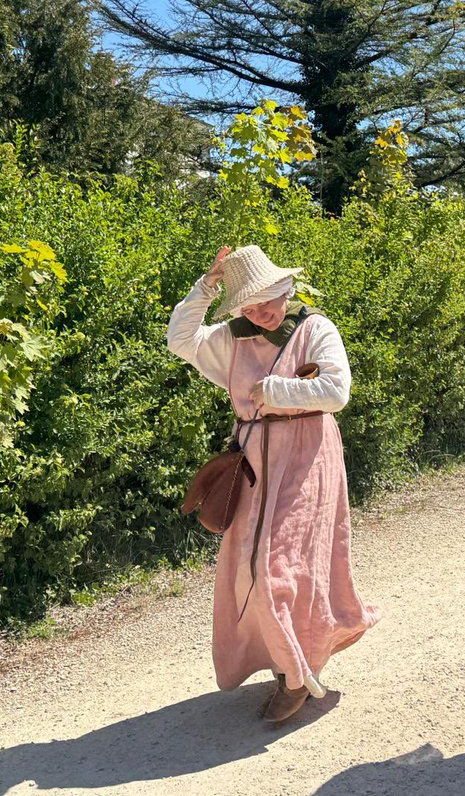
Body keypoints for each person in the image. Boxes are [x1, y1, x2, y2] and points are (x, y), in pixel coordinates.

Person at [166, 245, 380, 723]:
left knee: (281, 567)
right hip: (254, 466)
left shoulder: (315, 328)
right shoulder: (233, 338)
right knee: (249, 567)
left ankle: (295, 677)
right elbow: (180, 338)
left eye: (268, 300)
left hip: (307, 459)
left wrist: (275, 391)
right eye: (250, 305)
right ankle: (287, 661)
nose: (262, 312)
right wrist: (208, 285)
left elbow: (336, 392)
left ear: (286, 289)